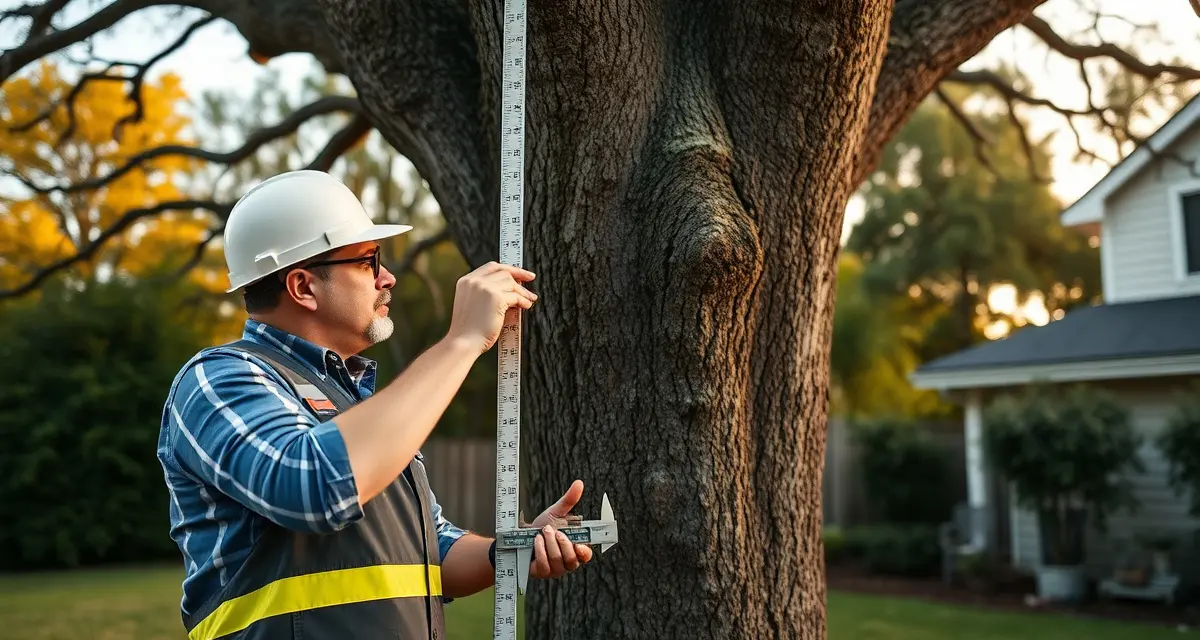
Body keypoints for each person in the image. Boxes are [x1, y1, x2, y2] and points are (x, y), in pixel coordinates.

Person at [157, 169, 593, 640]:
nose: (388, 277)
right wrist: (462, 341)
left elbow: (430, 552)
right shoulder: (218, 379)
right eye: (368, 261)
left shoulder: (355, 407)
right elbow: (314, 486)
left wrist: (511, 551)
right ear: (303, 286)